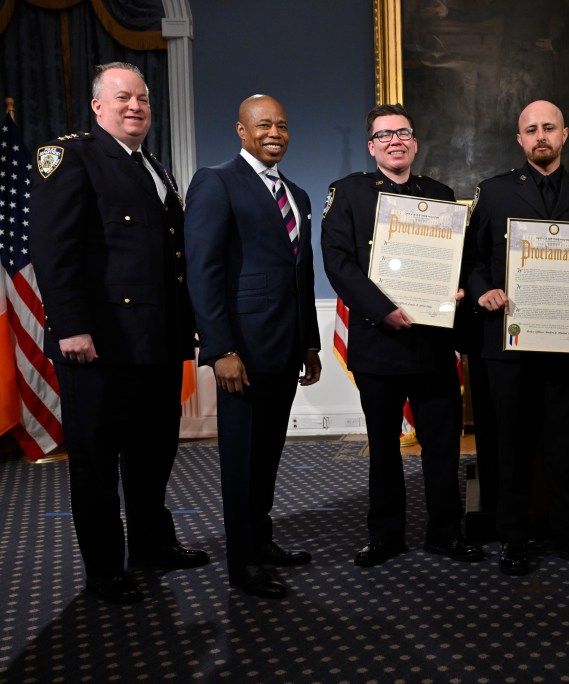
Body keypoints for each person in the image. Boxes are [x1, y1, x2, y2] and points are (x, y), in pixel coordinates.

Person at [29, 62, 208, 604]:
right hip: (98, 343)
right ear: (98, 106)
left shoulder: (153, 167)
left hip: (154, 340)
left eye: (144, 99)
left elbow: (168, 259)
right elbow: (53, 249)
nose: (136, 107)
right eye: (123, 98)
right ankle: (105, 568)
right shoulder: (72, 157)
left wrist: (186, 330)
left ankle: (152, 544)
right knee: (96, 461)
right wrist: (71, 326)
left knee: (154, 452)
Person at [462, 99, 569, 575]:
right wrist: (483, 290)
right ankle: (513, 539)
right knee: (510, 445)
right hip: (508, 345)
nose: (540, 136)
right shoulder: (493, 193)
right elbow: (471, 262)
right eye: (531, 130)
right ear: (520, 139)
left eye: (548, 127)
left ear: (565, 134)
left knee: (562, 445)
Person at [321, 103, 483, 567]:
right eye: (384, 134)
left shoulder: (440, 193)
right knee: (384, 449)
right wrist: (384, 311)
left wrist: (453, 287)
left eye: (403, 133)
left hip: (432, 345)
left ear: (415, 142)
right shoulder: (348, 193)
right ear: (372, 146)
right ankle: (386, 535)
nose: (395, 141)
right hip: (379, 343)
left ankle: (445, 532)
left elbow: (460, 258)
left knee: (442, 447)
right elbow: (339, 264)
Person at [184, 95, 321, 598]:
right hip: (239, 351)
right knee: (241, 461)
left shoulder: (299, 196)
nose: (274, 133)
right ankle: (242, 563)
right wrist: (220, 349)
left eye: (282, 125)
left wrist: (310, 343)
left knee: (267, 455)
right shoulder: (216, 182)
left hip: (286, 349)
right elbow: (203, 272)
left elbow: (300, 276)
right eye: (263, 125)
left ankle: (260, 542)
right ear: (240, 131)